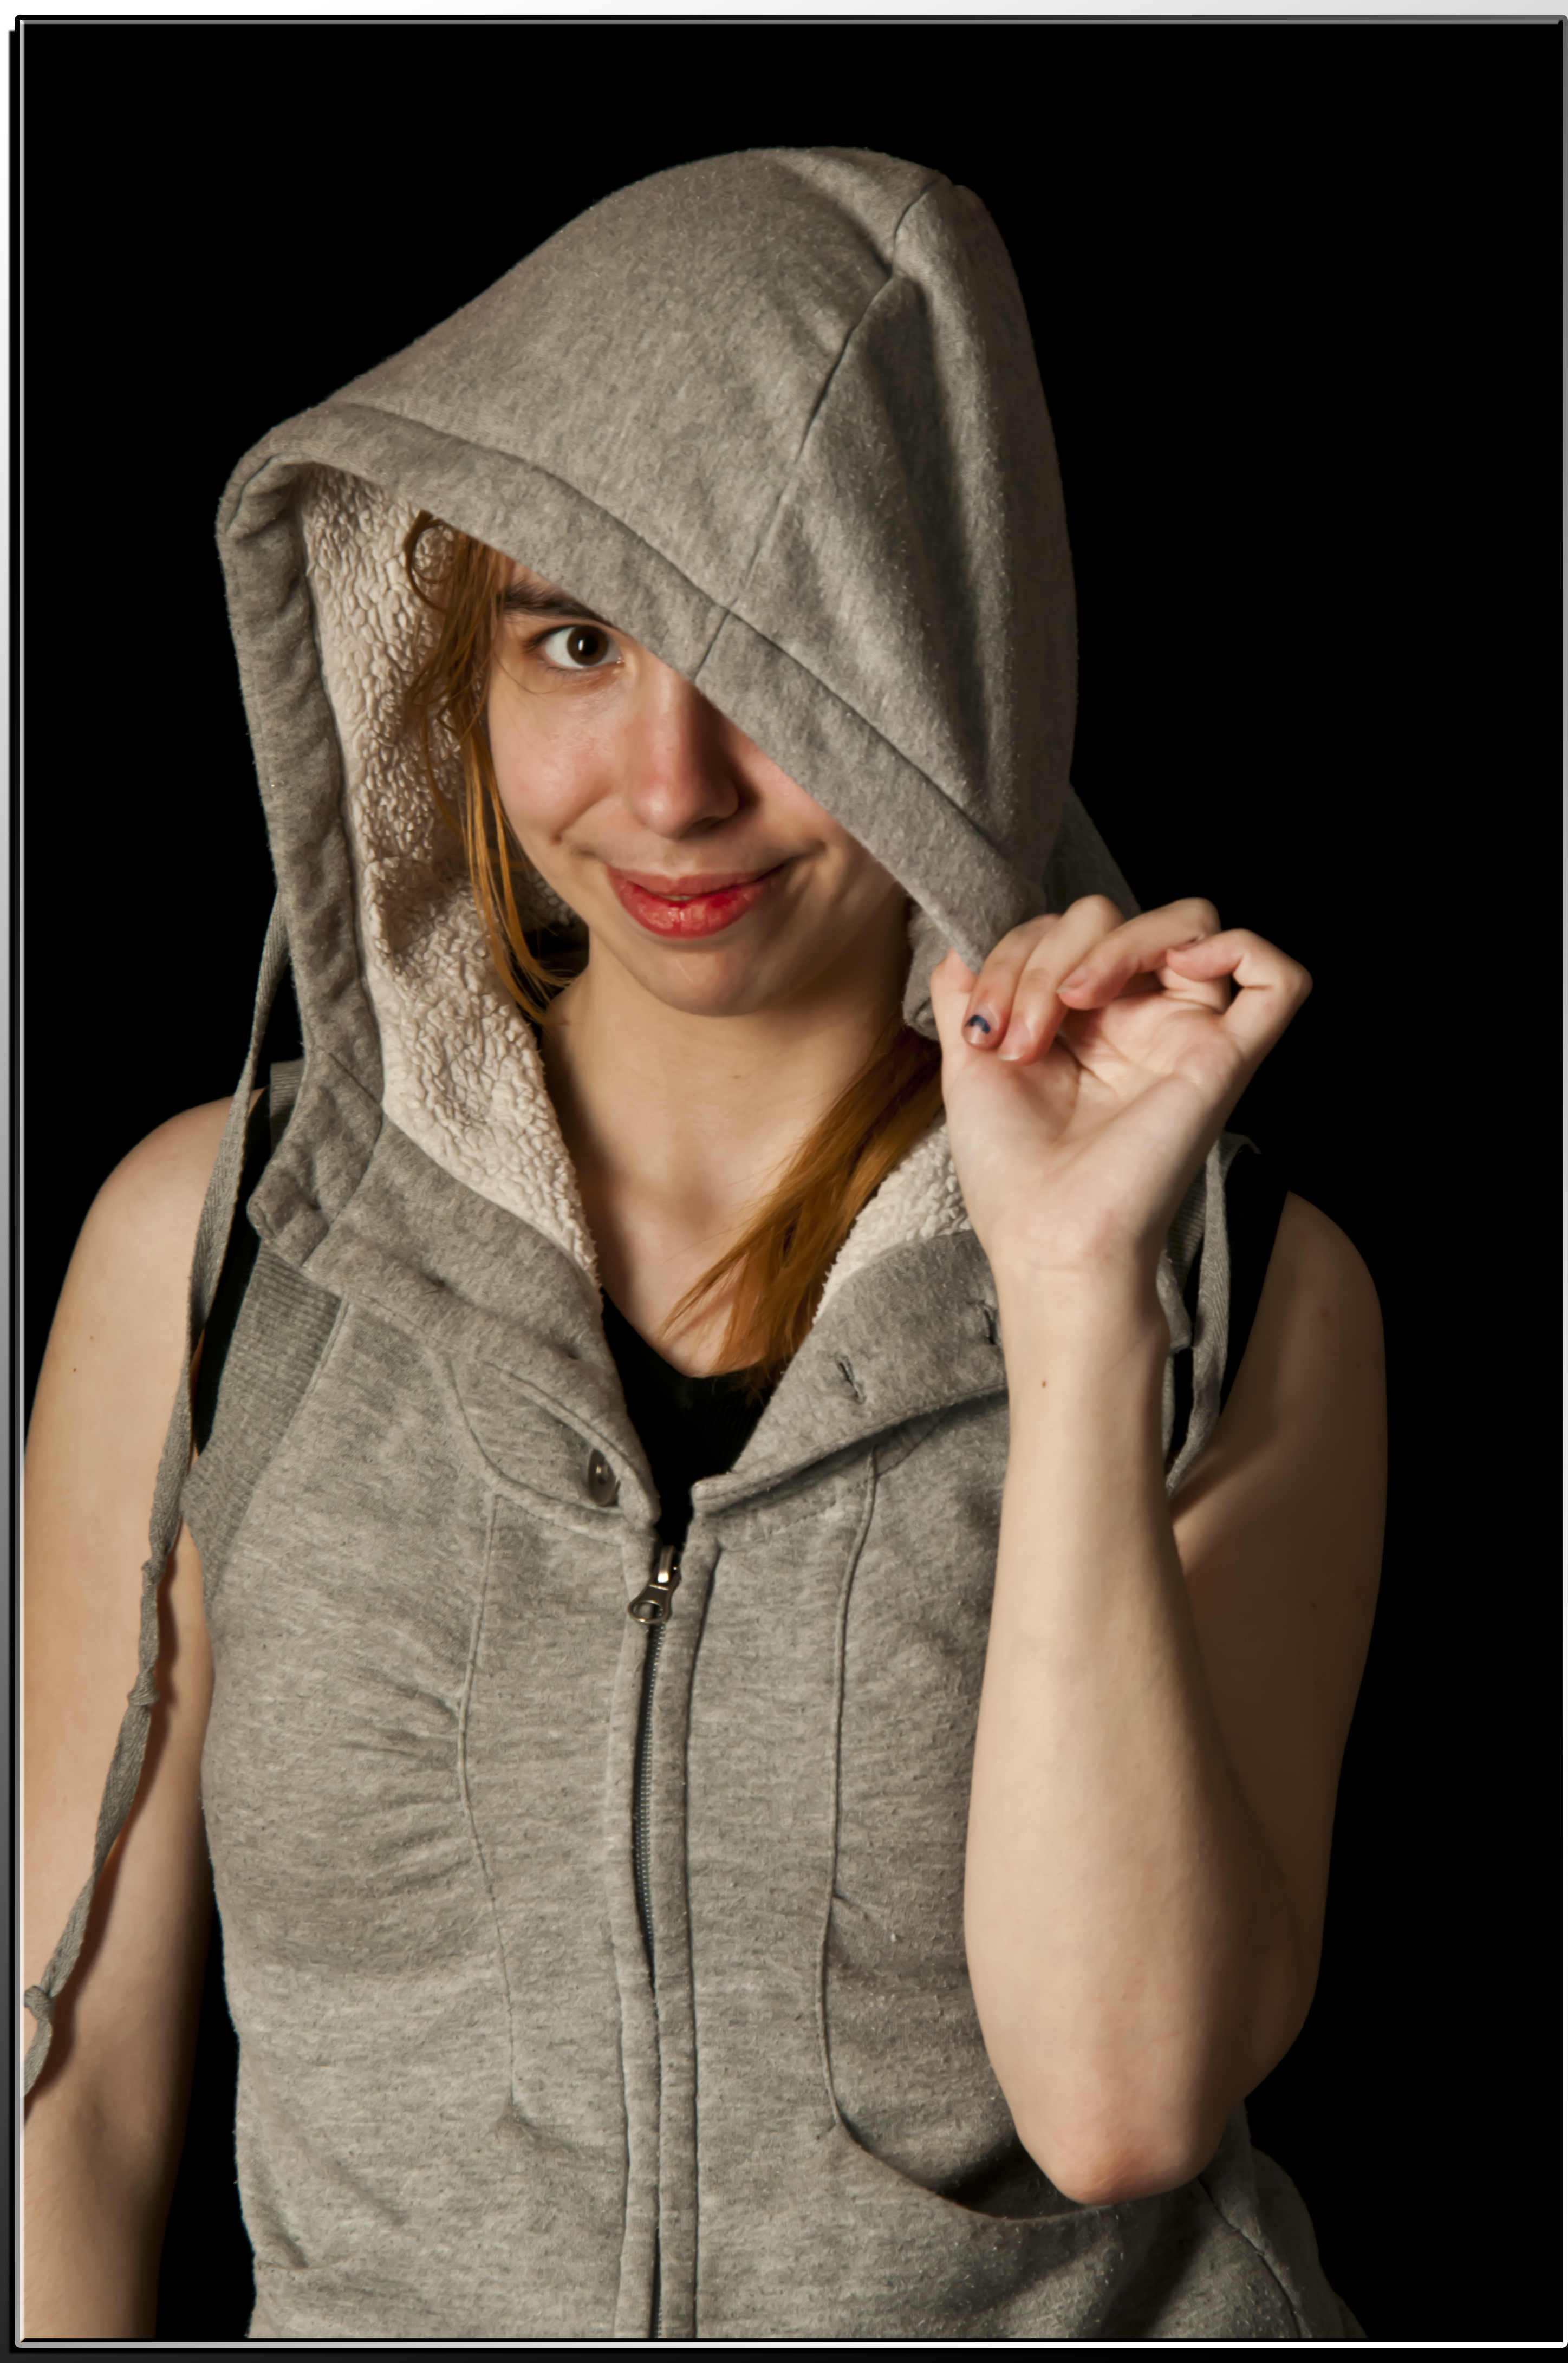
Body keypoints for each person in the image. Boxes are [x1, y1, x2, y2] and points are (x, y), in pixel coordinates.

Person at [22, 147, 1385, 2340]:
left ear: (949, 664)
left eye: (779, 660)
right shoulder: (215, 1243)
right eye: (576, 639)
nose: (670, 788)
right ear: (460, 671)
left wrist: (1065, 1289)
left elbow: (1122, 2096)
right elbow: (60, 2091)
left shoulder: (1238, 1284)